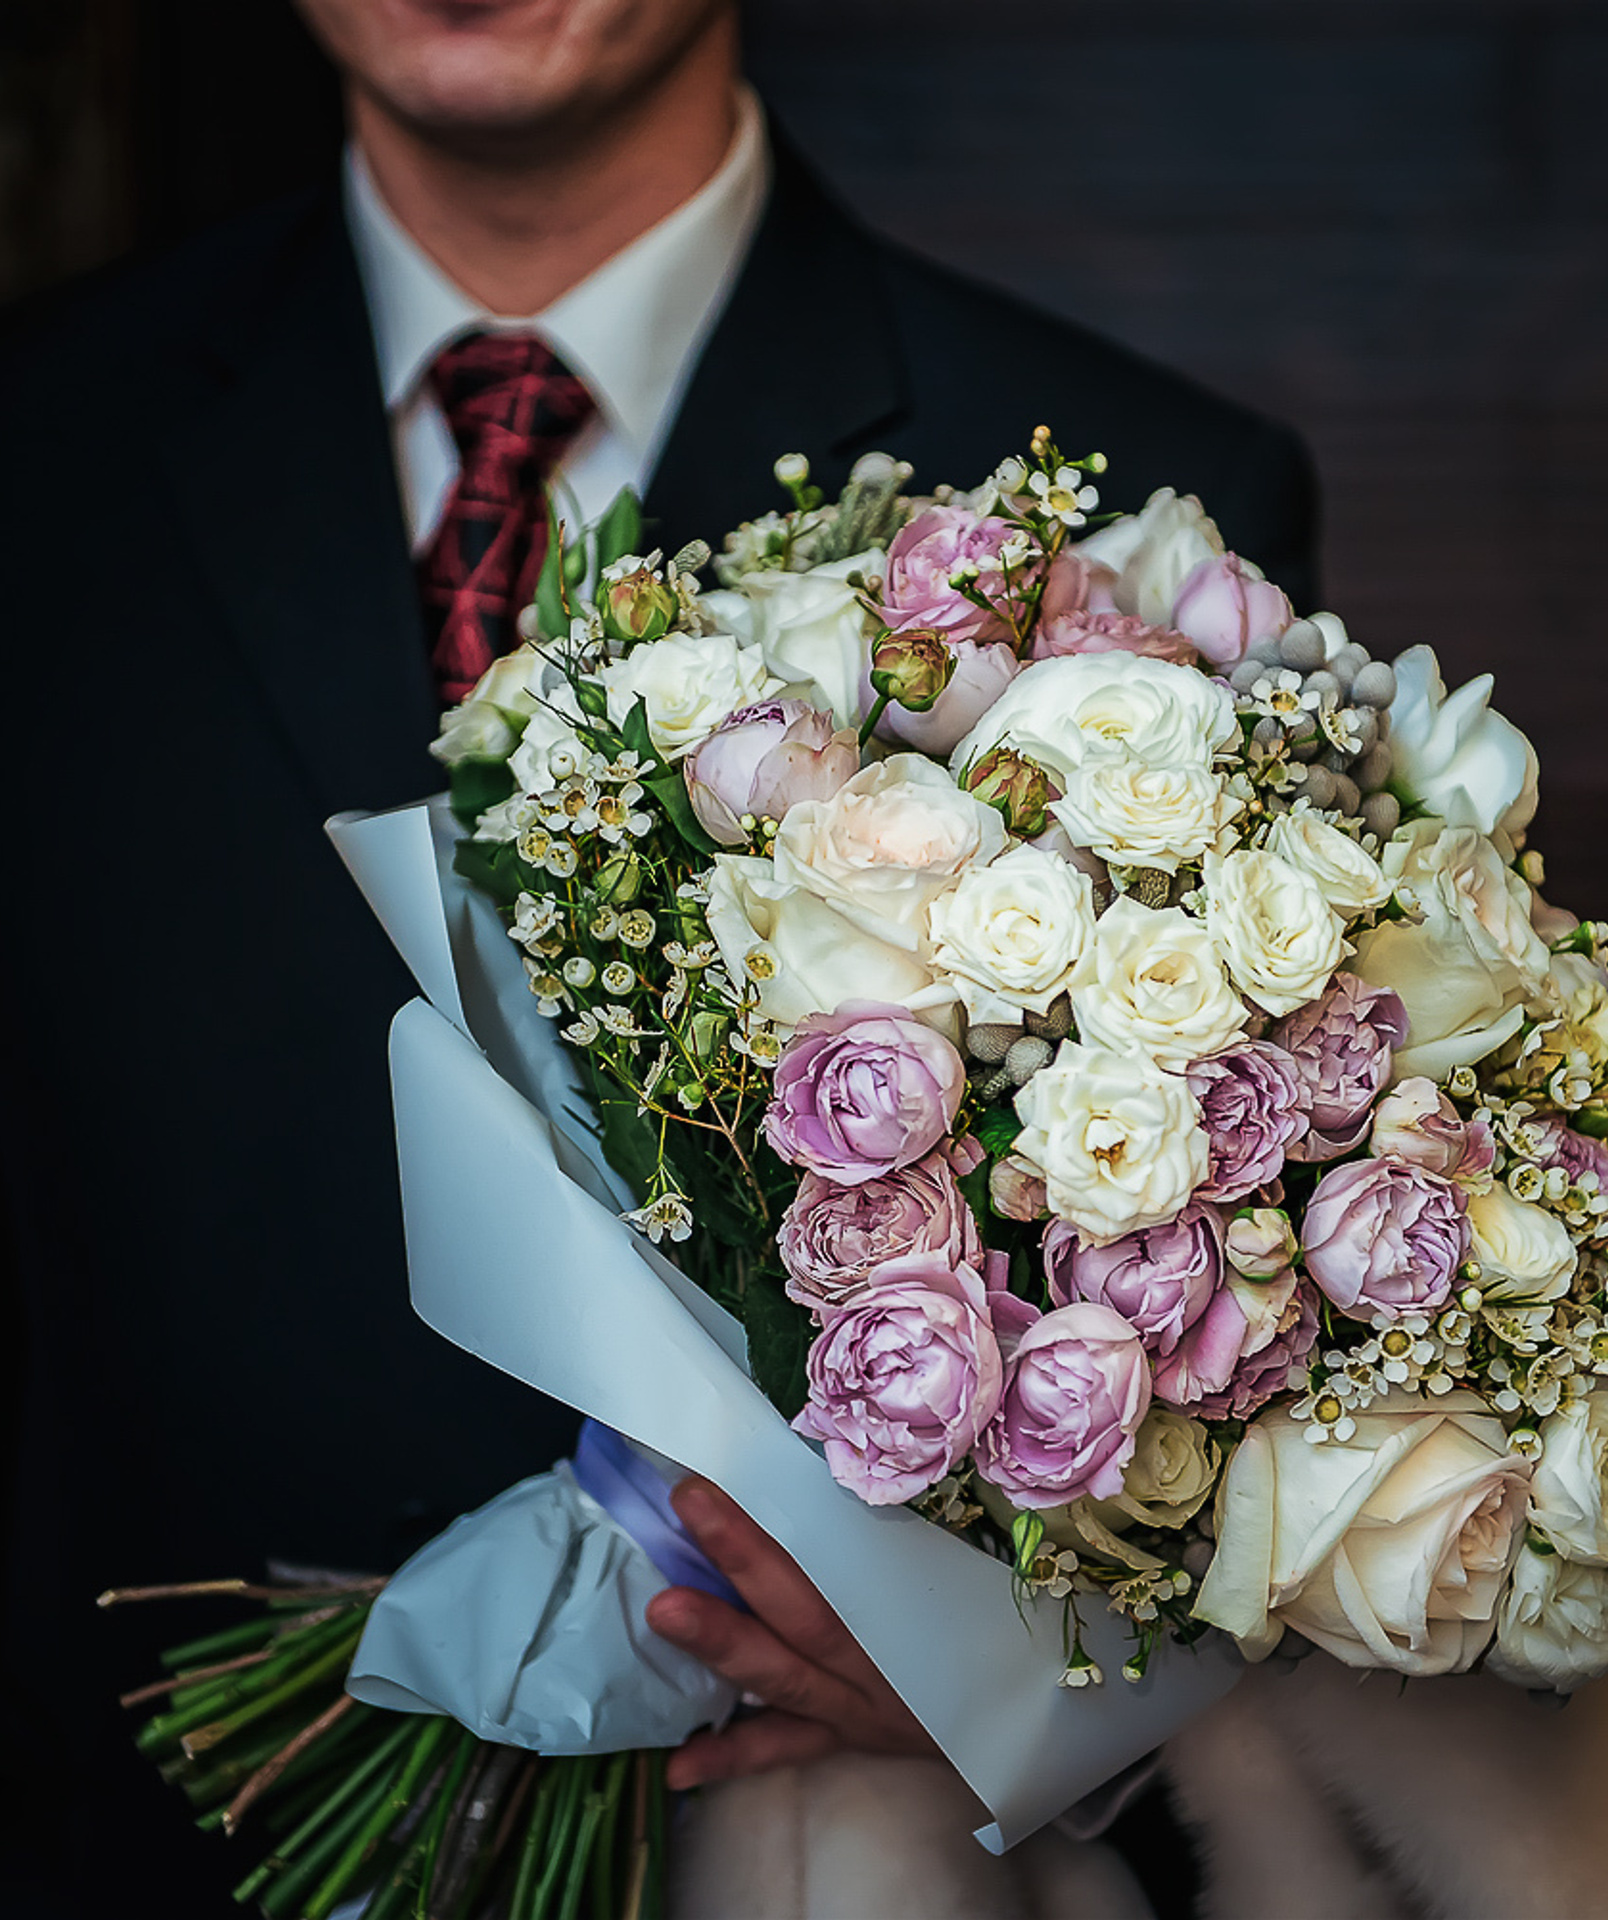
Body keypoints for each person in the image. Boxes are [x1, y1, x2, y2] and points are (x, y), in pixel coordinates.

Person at [0, 2, 1313, 1914]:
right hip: (130, 1820)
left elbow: (1248, 1326)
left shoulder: (1145, 503)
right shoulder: (41, 444)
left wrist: (1027, 1684)